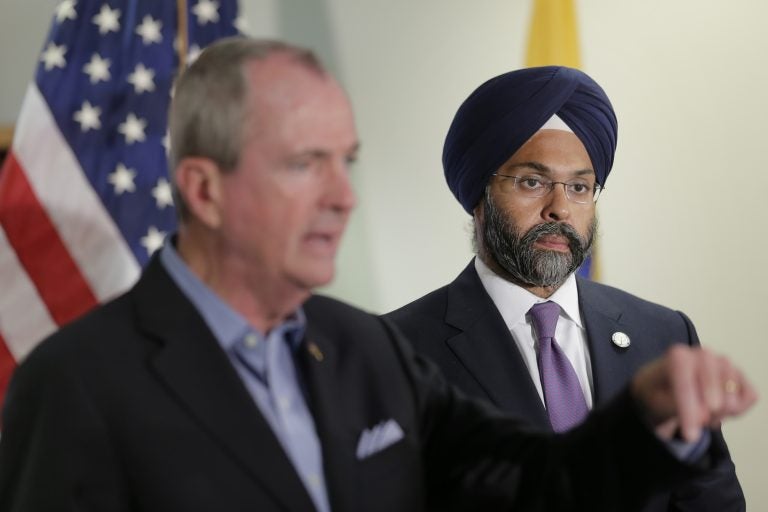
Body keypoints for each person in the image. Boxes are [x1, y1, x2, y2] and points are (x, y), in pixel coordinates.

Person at [0, 39, 756, 512]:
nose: (344, 195)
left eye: (346, 161)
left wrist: (648, 420)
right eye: (305, 164)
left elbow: (538, 484)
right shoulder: (75, 386)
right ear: (205, 190)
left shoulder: (362, 348)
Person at [386, 66, 747, 510]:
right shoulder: (395, 353)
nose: (560, 208)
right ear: (479, 196)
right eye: (532, 182)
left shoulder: (663, 333)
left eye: (579, 187)